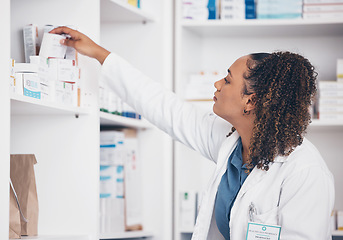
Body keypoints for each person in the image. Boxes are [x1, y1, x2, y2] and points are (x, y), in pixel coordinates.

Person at [50, 27, 335, 240]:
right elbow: (165, 107)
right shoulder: (230, 143)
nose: (217, 83)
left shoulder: (305, 172)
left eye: (227, 79)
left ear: (251, 101)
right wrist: (100, 54)